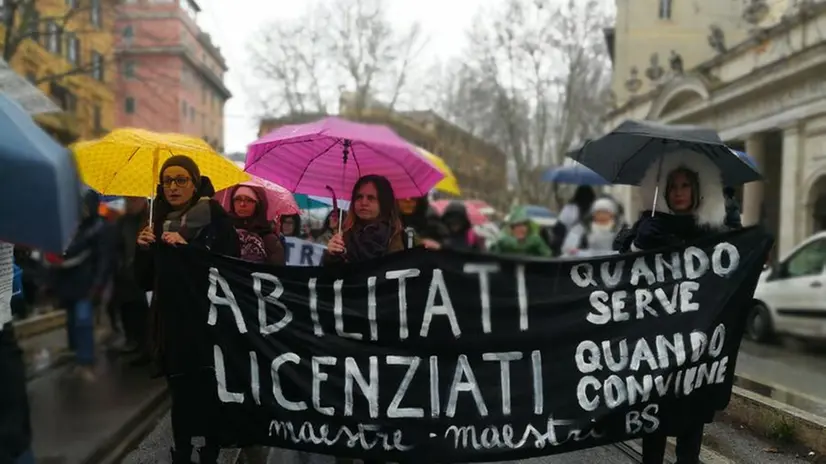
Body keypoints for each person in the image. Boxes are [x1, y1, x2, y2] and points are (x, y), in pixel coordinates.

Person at [614, 151, 730, 464]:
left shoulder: (710, 230)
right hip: (655, 347)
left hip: (696, 349)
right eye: (673, 186)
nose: (679, 192)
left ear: (695, 191)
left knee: (689, 434)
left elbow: (729, 273)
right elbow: (617, 275)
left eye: (685, 185)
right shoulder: (647, 227)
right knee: (654, 430)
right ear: (665, 192)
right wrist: (638, 245)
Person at [135, 155, 240, 464]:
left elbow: (229, 266)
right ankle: (181, 450)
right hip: (171, 323)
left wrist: (190, 248)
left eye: (181, 180)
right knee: (180, 392)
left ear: (195, 183)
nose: (174, 187)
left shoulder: (217, 219)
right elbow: (142, 280)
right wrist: (142, 250)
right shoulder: (155, 223)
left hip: (210, 322)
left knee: (209, 390)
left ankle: (210, 450)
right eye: (168, 181)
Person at [46, 189, 112, 381]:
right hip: (68, 284)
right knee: (73, 321)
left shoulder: (99, 228)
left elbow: (104, 259)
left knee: (83, 321)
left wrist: (99, 284)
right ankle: (78, 354)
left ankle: (85, 360)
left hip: (87, 284)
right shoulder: (74, 229)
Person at [323, 175, 404, 266]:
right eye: (359, 197)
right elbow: (330, 275)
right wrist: (332, 256)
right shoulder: (343, 236)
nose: (364, 203)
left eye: (371, 198)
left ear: (383, 202)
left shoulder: (396, 236)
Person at [228, 185, 285, 265]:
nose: (242, 204)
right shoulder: (224, 230)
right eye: (237, 199)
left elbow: (277, 272)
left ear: (259, 205)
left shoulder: (269, 239)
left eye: (249, 200)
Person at [550, 186, 596, 255]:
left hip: (566, 245)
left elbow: (559, 226)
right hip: (580, 246)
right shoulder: (589, 211)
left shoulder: (569, 208)